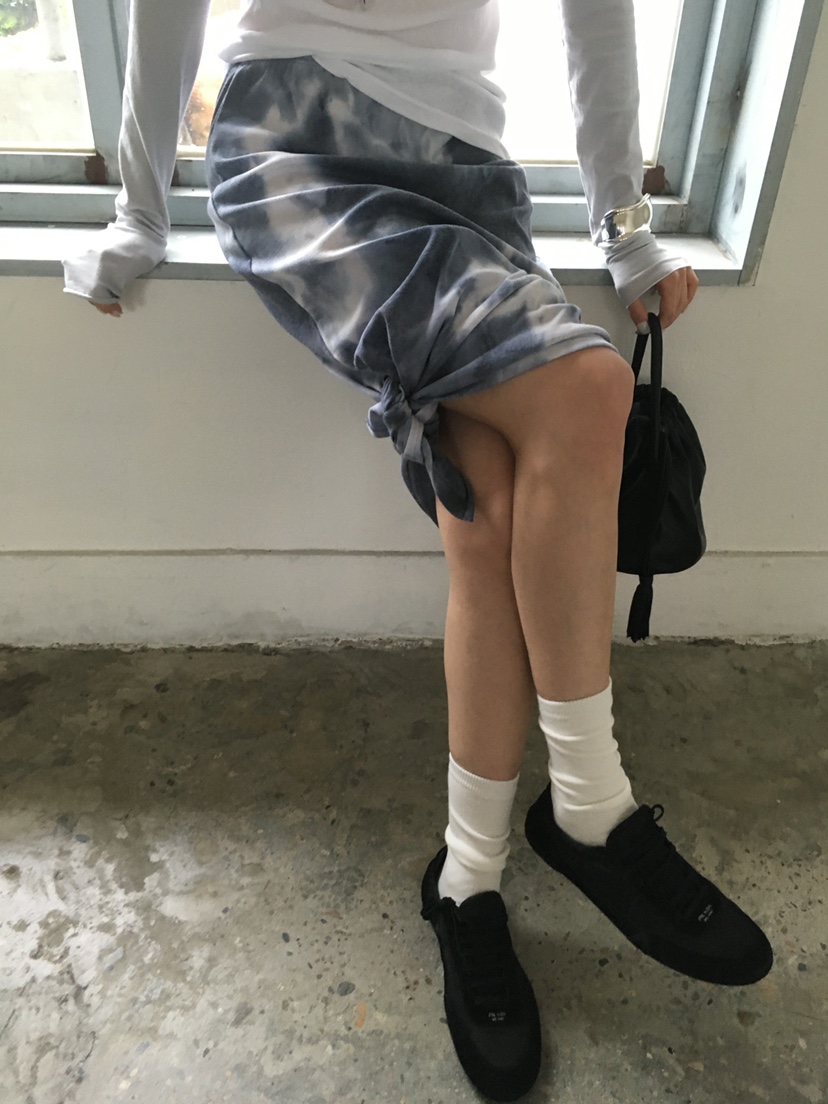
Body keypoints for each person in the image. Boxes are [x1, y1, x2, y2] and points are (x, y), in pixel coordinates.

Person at [62, 2, 773, 1099]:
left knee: (485, 514)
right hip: (295, 141)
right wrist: (138, 211)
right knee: (591, 387)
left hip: (469, 172)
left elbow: (596, 19)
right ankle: (590, 806)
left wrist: (625, 228)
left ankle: (468, 879)